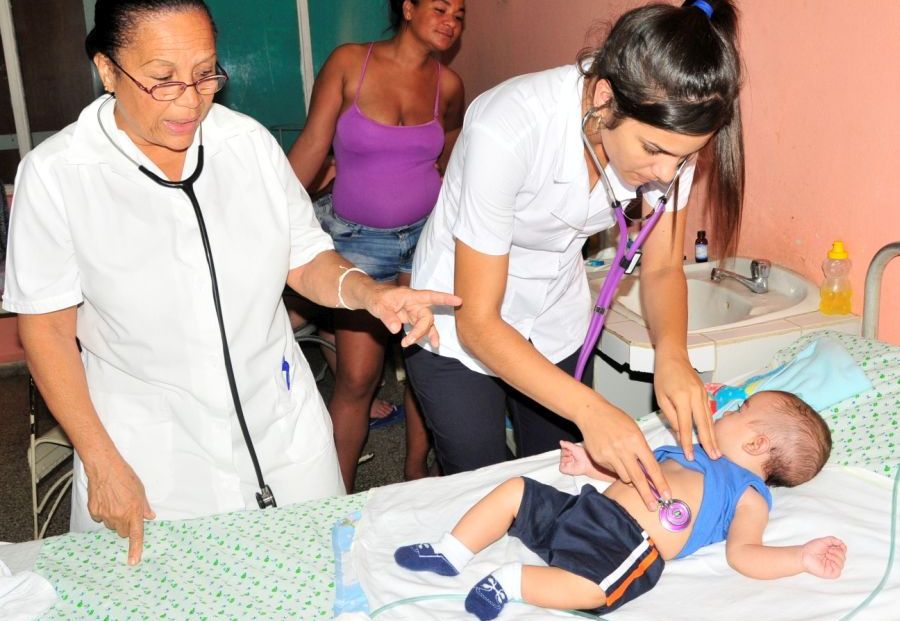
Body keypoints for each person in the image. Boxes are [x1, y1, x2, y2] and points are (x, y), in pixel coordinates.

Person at [1, 0, 459, 566]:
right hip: (152, 448)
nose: (191, 100)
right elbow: (44, 331)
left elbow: (306, 253)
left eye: (205, 74)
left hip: (282, 422)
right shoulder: (58, 174)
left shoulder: (246, 145)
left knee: (314, 574)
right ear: (108, 70)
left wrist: (370, 292)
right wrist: (100, 460)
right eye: (163, 81)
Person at [406, 0, 746, 509]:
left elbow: (660, 268)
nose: (667, 174)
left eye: (684, 158)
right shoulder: (508, 128)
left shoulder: (671, 137)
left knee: (563, 481)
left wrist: (672, 357)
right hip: (458, 322)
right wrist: (592, 409)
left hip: (554, 319)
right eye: (653, 151)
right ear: (604, 97)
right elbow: (478, 321)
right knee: (482, 486)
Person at [394, 390, 846, 619]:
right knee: (516, 489)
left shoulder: (748, 494)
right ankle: (452, 550)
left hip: (628, 544)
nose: (726, 410)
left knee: (601, 590)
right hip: (586, 510)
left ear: (757, 442)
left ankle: (512, 582)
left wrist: (800, 557)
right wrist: (594, 469)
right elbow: (636, 475)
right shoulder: (687, 451)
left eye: (740, 409)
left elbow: (744, 553)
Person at [287, 0, 465, 487]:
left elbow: (447, 161)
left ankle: (413, 469)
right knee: (358, 379)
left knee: (425, 368)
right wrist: (271, 218)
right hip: (360, 245)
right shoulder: (350, 63)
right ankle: (335, 494)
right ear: (407, 8)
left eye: (460, 14)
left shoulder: (448, 86)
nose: (451, 21)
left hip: (426, 239)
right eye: (440, 8)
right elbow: (311, 146)